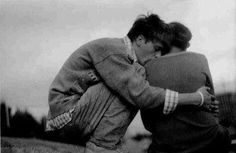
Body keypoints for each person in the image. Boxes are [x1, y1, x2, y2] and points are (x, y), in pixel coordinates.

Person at [46, 14, 215, 153]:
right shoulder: (113, 50)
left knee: (134, 77)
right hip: (66, 116)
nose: (157, 56)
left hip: (76, 114)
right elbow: (141, 96)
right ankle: (101, 146)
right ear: (140, 39)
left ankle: (105, 144)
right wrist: (196, 97)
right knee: (136, 79)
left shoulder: (122, 55)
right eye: (156, 48)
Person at [141, 22, 231, 153]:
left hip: (167, 146)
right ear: (186, 43)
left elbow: (148, 123)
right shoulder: (200, 59)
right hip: (209, 140)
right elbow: (212, 106)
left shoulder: (148, 67)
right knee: (223, 134)